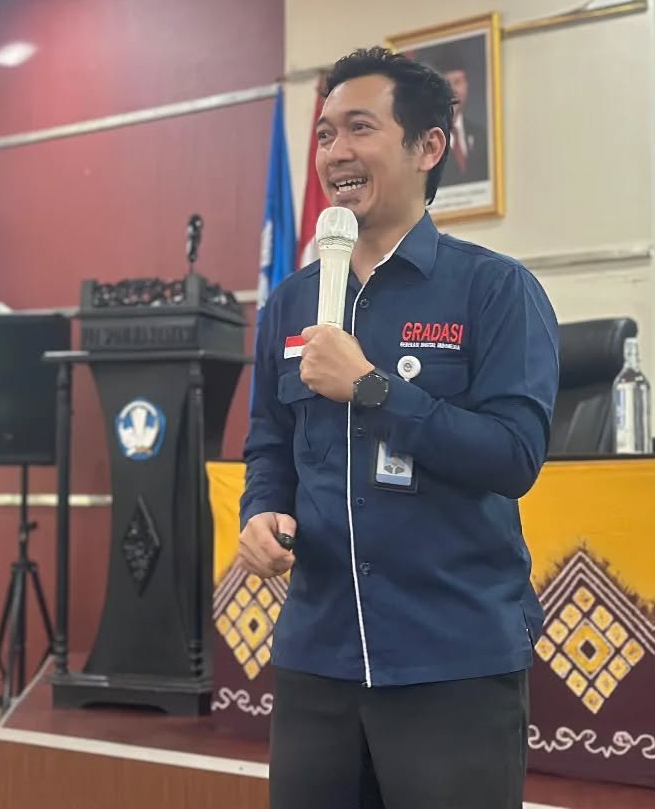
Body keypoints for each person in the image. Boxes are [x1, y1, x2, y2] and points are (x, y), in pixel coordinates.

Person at [237, 46, 559, 809]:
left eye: (360, 128)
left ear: (428, 146)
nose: (335, 152)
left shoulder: (495, 290)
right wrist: (261, 512)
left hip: (451, 659)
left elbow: (513, 456)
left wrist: (372, 390)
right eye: (324, 135)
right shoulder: (291, 304)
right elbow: (269, 445)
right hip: (318, 657)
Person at [425, 41, 490, 187]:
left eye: (458, 82)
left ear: (467, 86)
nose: (453, 91)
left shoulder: (481, 136)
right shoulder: (427, 141)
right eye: (447, 84)